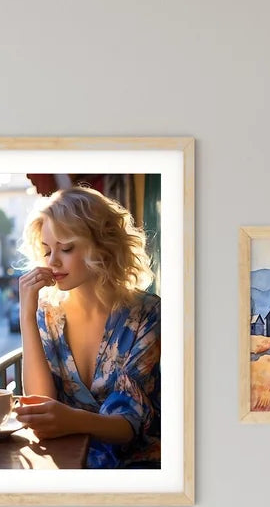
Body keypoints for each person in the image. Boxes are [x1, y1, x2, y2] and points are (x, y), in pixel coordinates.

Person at [15, 186, 161, 468]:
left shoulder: (146, 313)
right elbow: (41, 405)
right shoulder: (47, 313)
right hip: (68, 463)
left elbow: (129, 425)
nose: (53, 261)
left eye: (66, 248)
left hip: (137, 469)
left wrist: (72, 420)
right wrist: (26, 315)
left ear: (102, 246)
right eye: (47, 250)